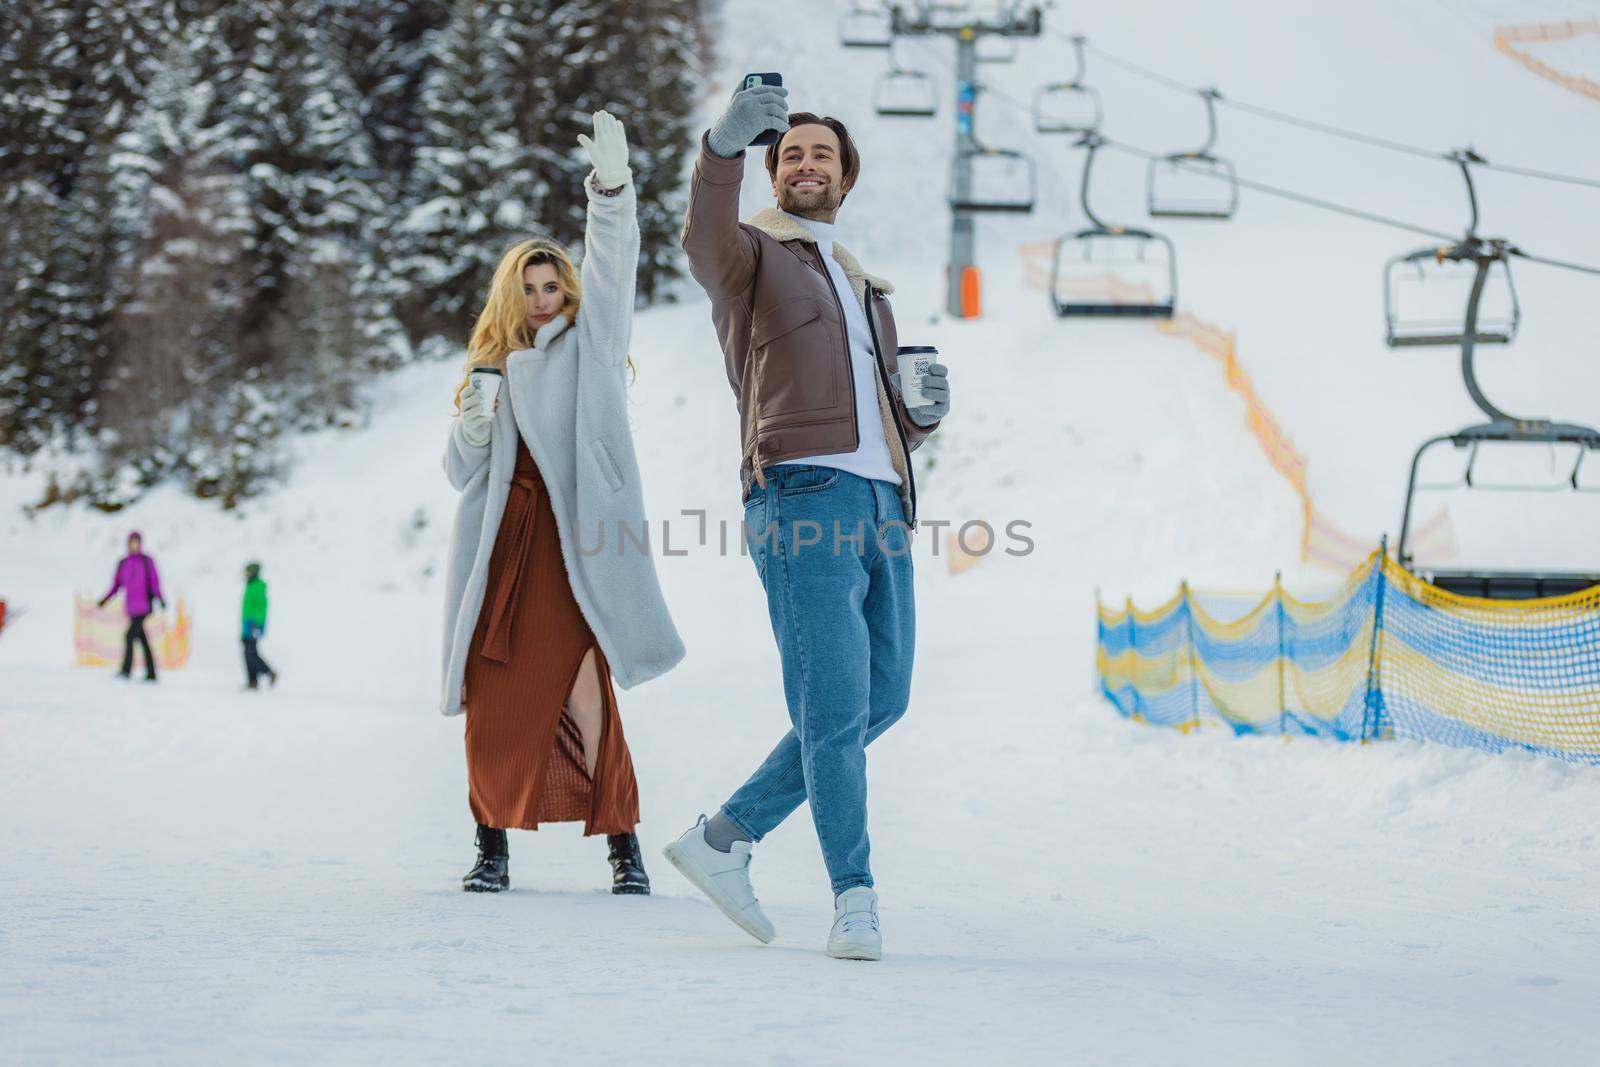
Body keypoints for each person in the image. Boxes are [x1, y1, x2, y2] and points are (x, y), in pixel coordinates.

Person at [663, 86, 951, 961]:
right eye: (790, 154)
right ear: (772, 171)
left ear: (845, 176)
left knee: (881, 697)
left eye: (822, 154)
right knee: (832, 710)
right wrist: (720, 146)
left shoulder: (866, 285)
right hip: (801, 493)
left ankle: (724, 837)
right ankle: (853, 896)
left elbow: (880, 404)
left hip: (882, 503)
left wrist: (921, 416)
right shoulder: (751, 258)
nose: (806, 164)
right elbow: (701, 239)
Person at [439, 110, 684, 896]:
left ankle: (624, 848)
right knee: (492, 698)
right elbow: (459, 473)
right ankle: (491, 848)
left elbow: (612, 272)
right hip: (502, 547)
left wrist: (610, 194)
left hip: (570, 543)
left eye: (553, 285)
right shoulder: (490, 362)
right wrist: (473, 426)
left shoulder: (591, 345)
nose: (543, 298)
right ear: (511, 295)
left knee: (586, 694)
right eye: (530, 288)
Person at [98, 530, 166, 683]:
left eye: (137, 542)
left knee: (129, 636)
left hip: (144, 607)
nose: (134, 544)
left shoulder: (146, 561)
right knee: (142, 639)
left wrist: (159, 597)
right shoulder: (123, 563)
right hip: (130, 608)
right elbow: (116, 585)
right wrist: (105, 600)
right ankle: (151, 673)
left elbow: (154, 582)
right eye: (132, 542)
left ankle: (126, 670)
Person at [241, 562, 277, 690]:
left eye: (247, 572)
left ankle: (269, 672)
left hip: (253, 625)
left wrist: (257, 624)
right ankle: (252, 681)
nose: (245, 574)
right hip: (247, 625)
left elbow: (261, 607)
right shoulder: (250, 586)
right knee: (248, 653)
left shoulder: (257, 587)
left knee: (250, 653)